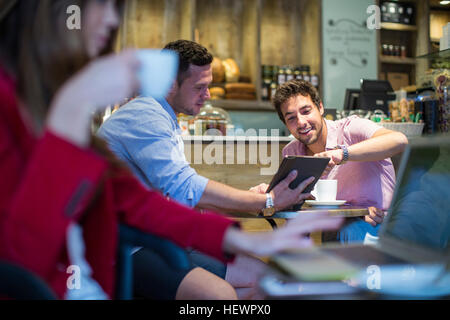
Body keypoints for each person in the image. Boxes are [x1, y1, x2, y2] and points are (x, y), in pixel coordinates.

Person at [0, 0, 343, 300]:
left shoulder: (73, 112)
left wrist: (242, 240)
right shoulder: (34, 110)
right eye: (99, 4)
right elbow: (22, 249)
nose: (111, 20)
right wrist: (264, 204)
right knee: (226, 293)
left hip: (117, 252)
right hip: (108, 259)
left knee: (262, 282)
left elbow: (137, 203)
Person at [98, 40, 316, 299]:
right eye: (200, 87)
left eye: (209, 85)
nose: (209, 95)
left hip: (157, 238)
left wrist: (256, 198)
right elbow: (186, 187)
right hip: (124, 246)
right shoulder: (145, 117)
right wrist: (266, 200)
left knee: (268, 279)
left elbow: (185, 198)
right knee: (220, 294)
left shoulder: (164, 118)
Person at [263, 79, 409, 243]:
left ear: (320, 107)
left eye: (306, 111)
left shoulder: (351, 128)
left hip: (383, 226)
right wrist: (271, 193)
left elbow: (399, 140)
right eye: (291, 118)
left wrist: (343, 154)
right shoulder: (292, 152)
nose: (301, 122)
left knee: (346, 231)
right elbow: (296, 206)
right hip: (338, 227)